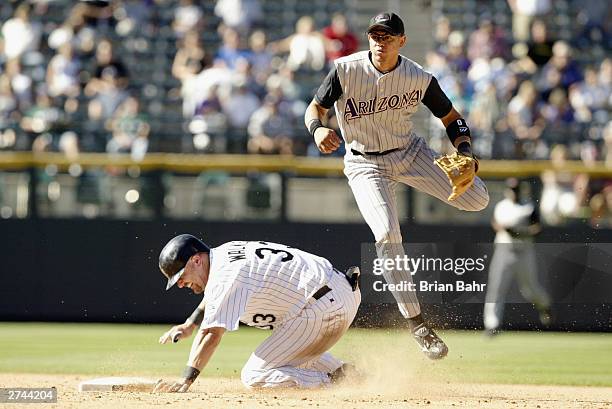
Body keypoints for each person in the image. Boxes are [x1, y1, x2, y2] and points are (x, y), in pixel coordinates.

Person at [304, 12, 490, 359]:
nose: (380, 40)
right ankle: (418, 325)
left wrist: (465, 151)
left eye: (387, 35)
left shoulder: (417, 77)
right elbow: (315, 108)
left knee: (478, 198)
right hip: (364, 163)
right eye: (375, 34)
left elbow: (452, 118)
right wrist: (318, 129)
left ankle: (418, 323)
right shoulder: (346, 70)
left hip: (409, 152)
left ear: (401, 41)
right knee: (388, 235)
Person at [154, 234, 361, 391]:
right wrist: (190, 323)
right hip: (334, 294)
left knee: (255, 375)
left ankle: (338, 382)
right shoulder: (225, 254)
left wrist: (186, 379)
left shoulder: (225, 276)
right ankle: (348, 373)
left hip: (322, 306)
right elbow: (216, 297)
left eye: (180, 276)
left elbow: (211, 334)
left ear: (196, 260)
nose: (180, 284)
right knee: (288, 361)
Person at [483, 178, 552, 336]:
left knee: (530, 289)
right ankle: (491, 325)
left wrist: (520, 232)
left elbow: (538, 228)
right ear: (507, 191)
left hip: (523, 251)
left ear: (521, 190)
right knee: (496, 288)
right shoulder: (502, 206)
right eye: (511, 189)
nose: (513, 192)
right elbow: (495, 223)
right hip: (503, 250)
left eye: (516, 189)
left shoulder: (528, 207)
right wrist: (504, 229)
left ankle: (544, 305)